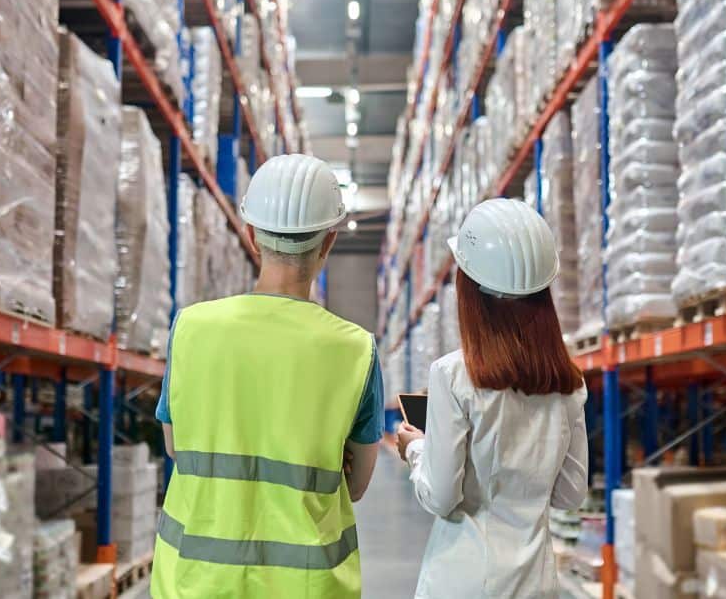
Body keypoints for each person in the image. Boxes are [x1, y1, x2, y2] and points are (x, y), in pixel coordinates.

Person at [151, 154, 384, 599]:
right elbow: (355, 484)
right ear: (328, 243)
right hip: (307, 587)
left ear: (251, 235)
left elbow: (176, 447)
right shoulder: (355, 349)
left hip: (193, 581)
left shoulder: (192, 329)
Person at [396, 198, 589, 599]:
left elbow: (441, 496)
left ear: (470, 291)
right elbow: (570, 494)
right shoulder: (569, 384)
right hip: (536, 584)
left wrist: (416, 449)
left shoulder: (453, 376)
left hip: (462, 581)